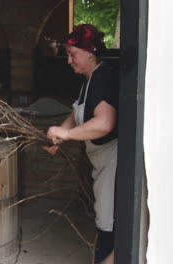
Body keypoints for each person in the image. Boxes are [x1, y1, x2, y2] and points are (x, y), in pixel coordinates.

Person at [43, 24, 118, 264]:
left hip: (113, 161)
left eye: (72, 54)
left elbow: (104, 123)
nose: (69, 60)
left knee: (110, 222)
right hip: (101, 162)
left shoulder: (103, 78)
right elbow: (78, 113)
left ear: (89, 52)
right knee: (105, 218)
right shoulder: (89, 80)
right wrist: (62, 133)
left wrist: (67, 135)